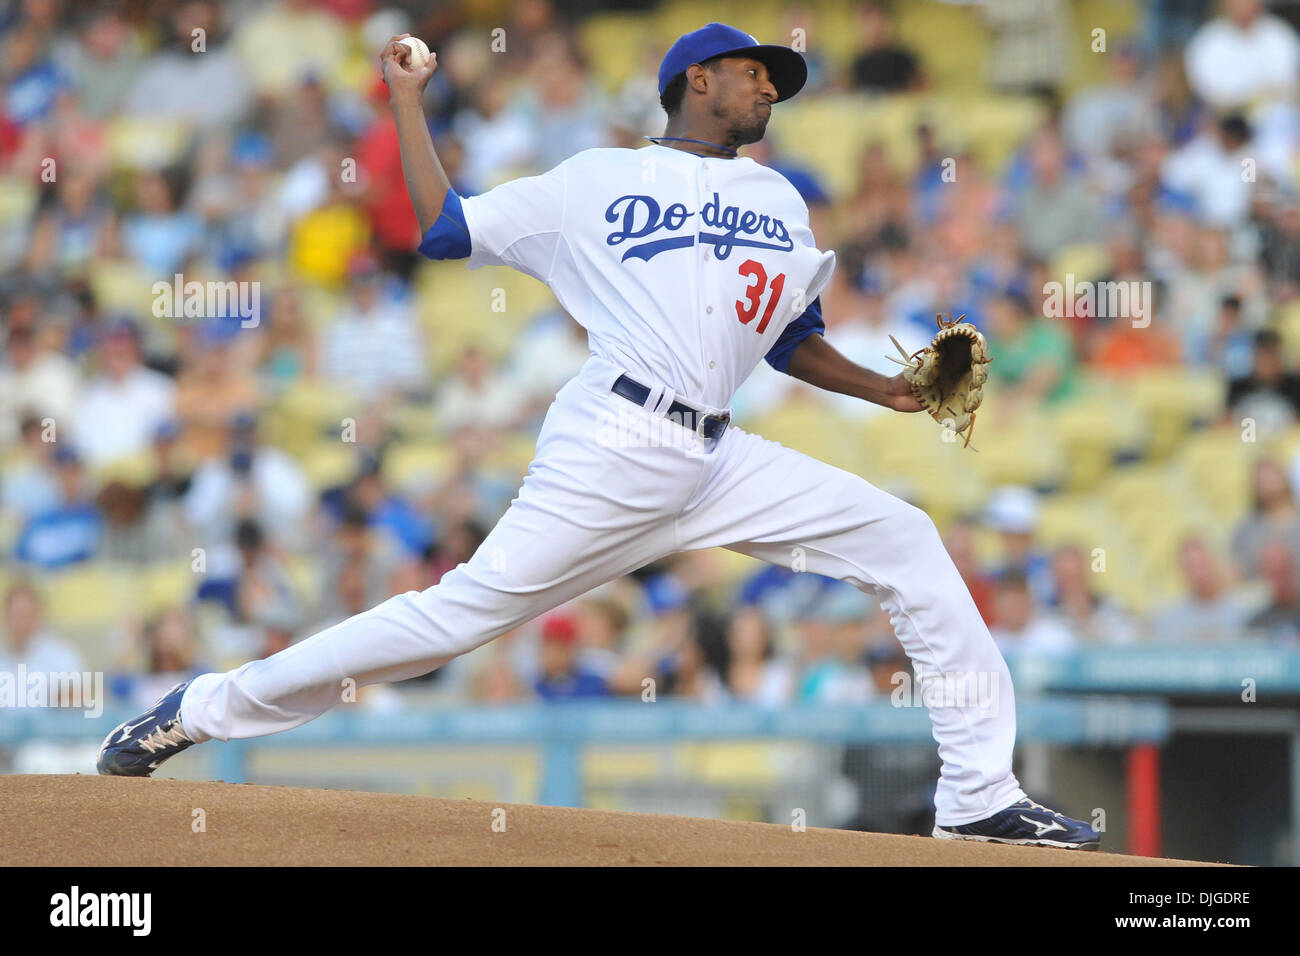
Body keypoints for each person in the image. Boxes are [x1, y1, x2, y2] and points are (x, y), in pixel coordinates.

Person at [99, 22, 1099, 850]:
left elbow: (791, 337)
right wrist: (407, 101)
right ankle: (203, 707)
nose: (770, 88)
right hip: (615, 441)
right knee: (452, 622)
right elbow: (446, 228)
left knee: (907, 539)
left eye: (776, 80)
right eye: (755, 72)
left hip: (719, 455)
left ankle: (977, 795)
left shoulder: (779, 199)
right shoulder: (594, 181)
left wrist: (888, 390)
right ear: (696, 79)